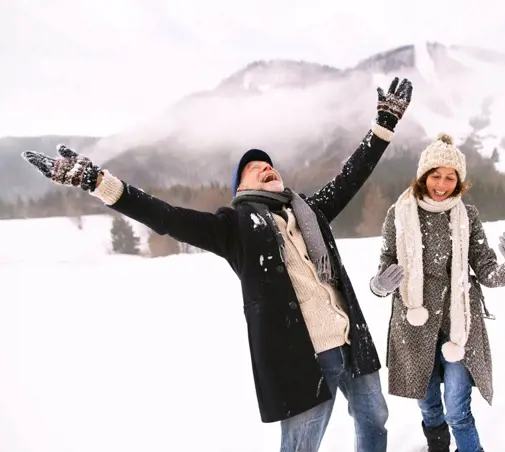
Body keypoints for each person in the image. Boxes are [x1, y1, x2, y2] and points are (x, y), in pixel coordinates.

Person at [21, 77, 413, 452]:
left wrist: (383, 126)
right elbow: (166, 216)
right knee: (300, 446)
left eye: (268, 162)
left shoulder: (310, 211)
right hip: (305, 355)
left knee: (374, 418)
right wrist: (97, 182)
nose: (265, 165)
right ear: (241, 187)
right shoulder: (235, 228)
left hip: (352, 340)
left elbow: (350, 177)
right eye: (253, 166)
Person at [368, 133, 505, 452]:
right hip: (414, 327)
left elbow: (485, 270)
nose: (441, 184)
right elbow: (385, 267)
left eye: (449, 177)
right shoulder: (398, 215)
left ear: (459, 181)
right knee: (429, 407)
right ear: (423, 176)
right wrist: (380, 285)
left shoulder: (467, 216)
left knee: (457, 409)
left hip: (461, 326)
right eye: (435, 176)